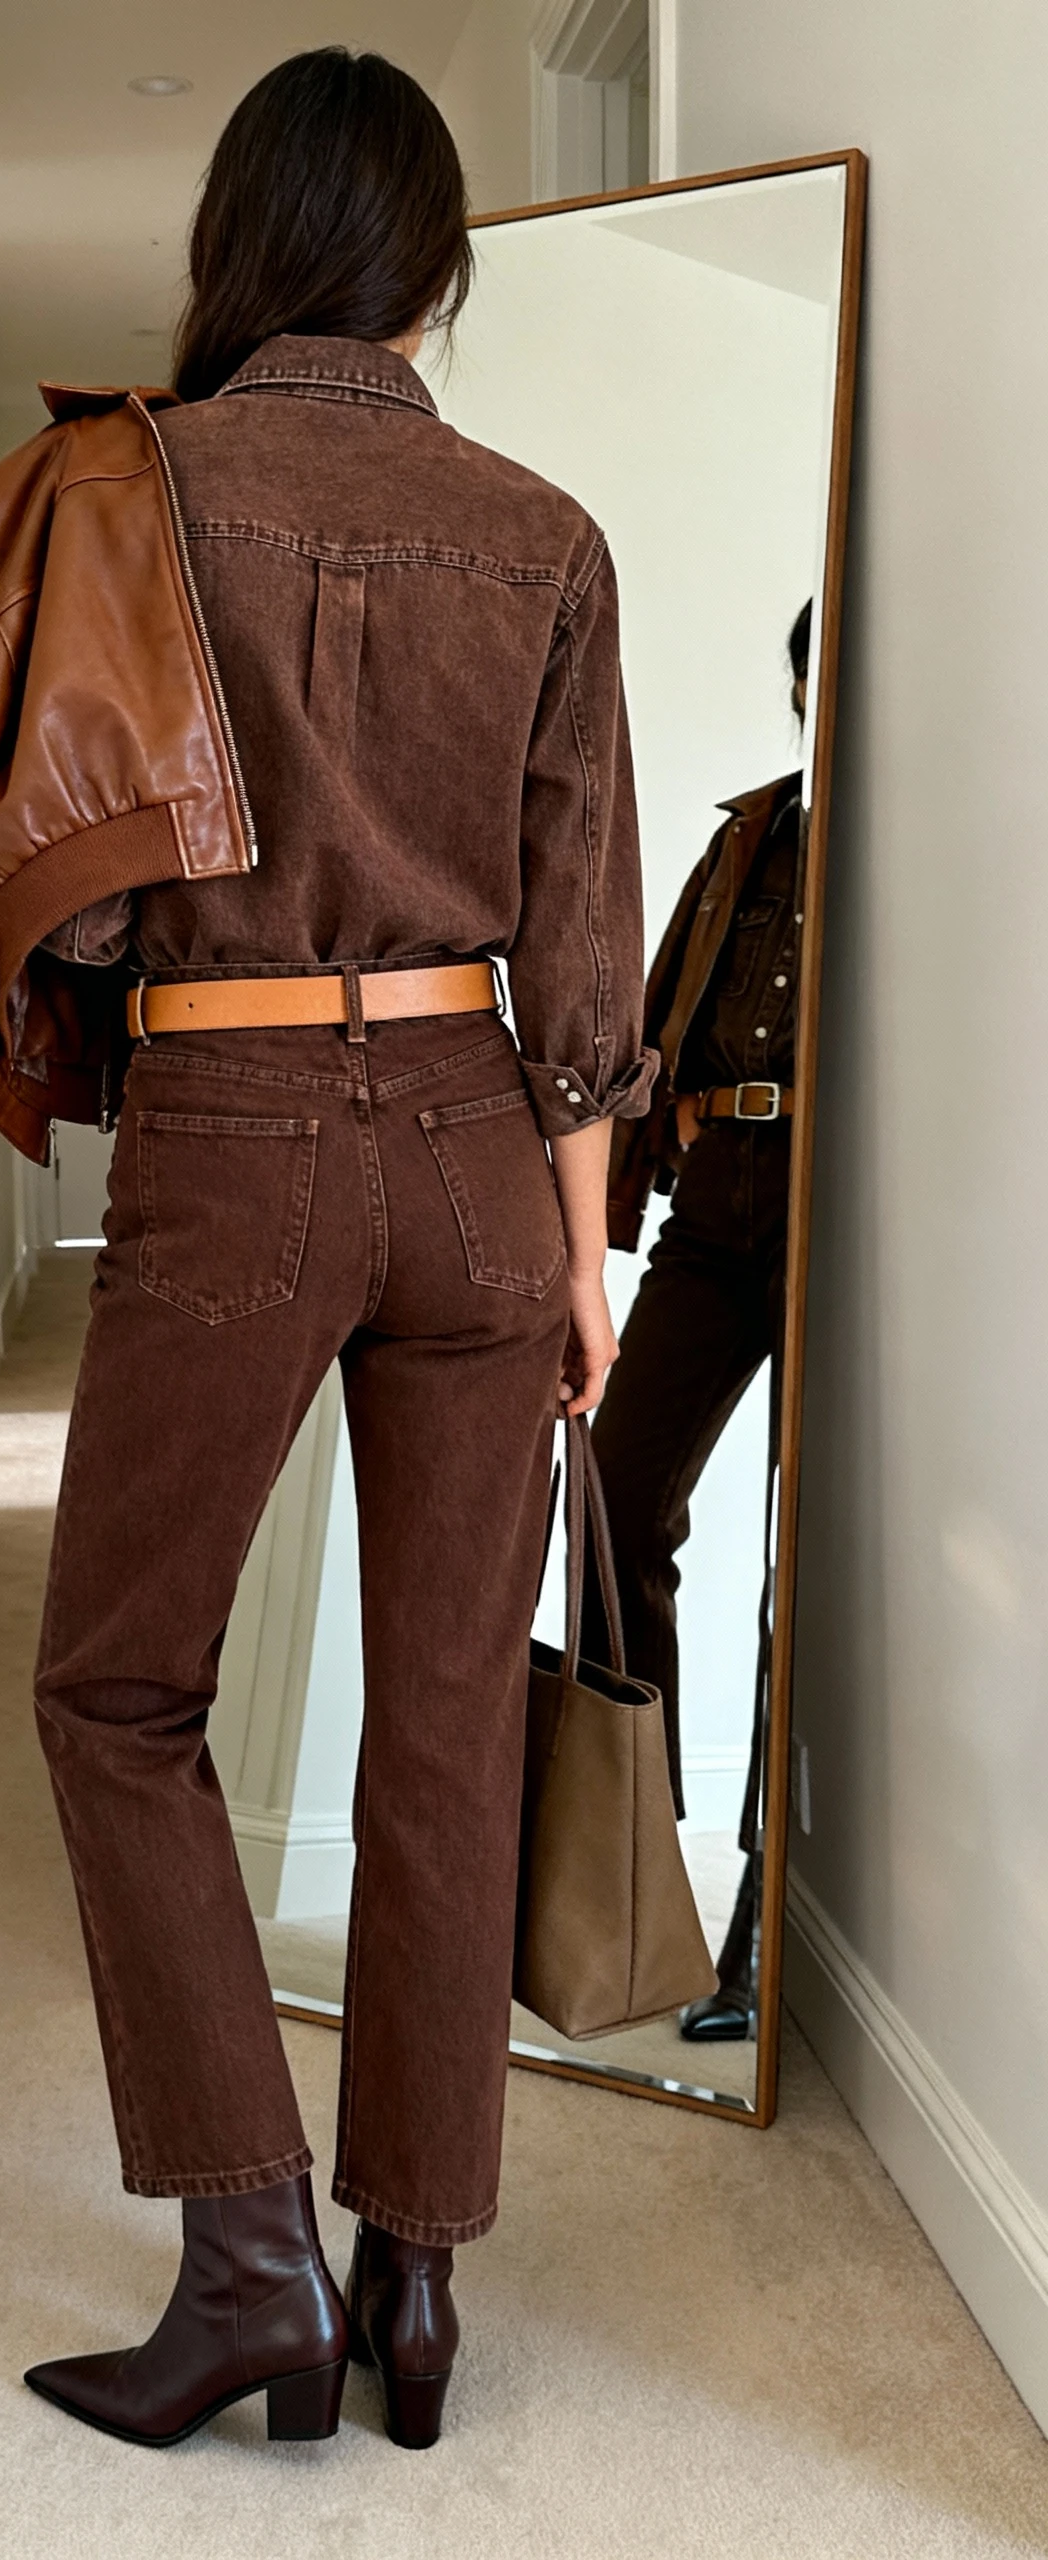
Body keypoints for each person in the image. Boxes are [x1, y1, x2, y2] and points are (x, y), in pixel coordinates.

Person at [0, 50, 651, 2452]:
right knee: (447, 1725)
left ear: (243, 243)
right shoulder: (546, 534)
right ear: (440, 269)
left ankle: (248, 2252)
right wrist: (587, 1263)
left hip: (242, 1118)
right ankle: (415, 2284)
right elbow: (587, 973)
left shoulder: (129, 494)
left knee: (115, 1689)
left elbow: (53, 839)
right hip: (478, 1143)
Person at [589, 607, 811, 2044]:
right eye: (813, 669)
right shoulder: (751, 837)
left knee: (802, 1578)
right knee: (615, 1510)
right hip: (715, 1217)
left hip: (845, 1234)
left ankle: (758, 1931)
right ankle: (636, 1878)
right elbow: (660, 1007)